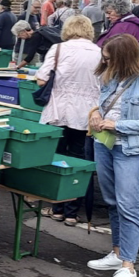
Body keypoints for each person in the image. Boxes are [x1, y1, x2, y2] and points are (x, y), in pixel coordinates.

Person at [86, 34, 139, 277]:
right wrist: (96, 113)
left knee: (128, 206)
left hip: (133, 150)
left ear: (124, 58)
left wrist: (117, 124)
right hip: (105, 144)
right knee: (112, 201)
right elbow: (102, 103)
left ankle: (128, 266)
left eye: (110, 59)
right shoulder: (110, 76)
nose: (106, 62)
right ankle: (118, 252)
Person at [35, 15, 102, 225]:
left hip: (59, 111)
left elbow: (41, 80)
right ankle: (73, 212)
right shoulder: (99, 52)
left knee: (58, 159)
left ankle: (57, 208)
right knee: (80, 163)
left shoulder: (58, 49)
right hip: (87, 114)